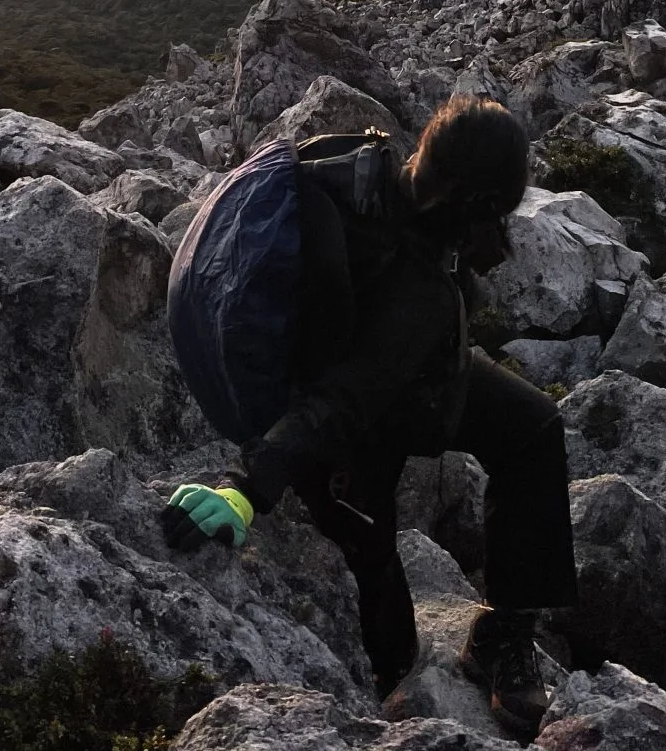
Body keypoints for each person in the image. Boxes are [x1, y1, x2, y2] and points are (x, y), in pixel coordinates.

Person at [161, 96, 578, 744]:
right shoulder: (417, 298)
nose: (501, 228)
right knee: (382, 616)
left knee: (532, 426)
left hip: (394, 374)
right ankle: (394, 694)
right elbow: (345, 400)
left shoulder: (358, 163)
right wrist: (244, 487)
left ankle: (502, 634)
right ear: (466, 201)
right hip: (364, 420)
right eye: (495, 211)